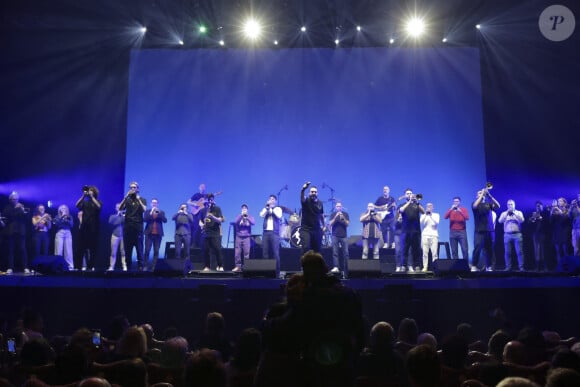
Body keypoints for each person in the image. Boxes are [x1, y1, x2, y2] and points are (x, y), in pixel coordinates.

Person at [119, 181, 147, 271]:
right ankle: (128, 269)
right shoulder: (127, 199)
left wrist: (138, 200)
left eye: (134, 187)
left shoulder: (142, 199)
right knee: (128, 250)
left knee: (139, 249)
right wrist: (126, 196)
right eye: (131, 187)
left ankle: (140, 268)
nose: (132, 189)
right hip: (128, 227)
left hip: (138, 227)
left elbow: (144, 210)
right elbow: (120, 208)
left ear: (137, 189)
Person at [471, 187, 500, 272]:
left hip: (489, 230)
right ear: (477, 196)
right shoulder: (474, 203)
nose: (482, 194)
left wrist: (489, 195)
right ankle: (474, 265)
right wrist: (482, 194)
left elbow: (498, 206)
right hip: (479, 231)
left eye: (482, 193)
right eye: (479, 193)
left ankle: (489, 266)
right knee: (477, 248)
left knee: (489, 249)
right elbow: (475, 206)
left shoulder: (488, 204)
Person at [2, 191, 30, 274]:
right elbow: (7, 218)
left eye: (16, 199)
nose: (15, 200)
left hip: (21, 231)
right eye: (13, 199)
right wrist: (15, 209)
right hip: (10, 231)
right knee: (10, 250)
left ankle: (25, 267)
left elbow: (27, 219)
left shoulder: (22, 207)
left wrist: (21, 209)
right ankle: (10, 267)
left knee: (22, 249)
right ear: (10, 200)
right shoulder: (7, 208)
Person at [75, 185, 102, 271]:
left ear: (94, 192)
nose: (89, 192)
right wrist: (83, 196)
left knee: (93, 249)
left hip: (93, 228)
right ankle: (78, 267)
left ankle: (90, 267)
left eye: (91, 191)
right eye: (88, 190)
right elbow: (77, 205)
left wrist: (92, 197)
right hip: (84, 228)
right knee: (80, 248)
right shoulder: (85, 202)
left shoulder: (98, 201)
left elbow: (99, 207)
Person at [398, 189, 425, 272]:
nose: (409, 195)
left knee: (416, 250)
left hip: (416, 231)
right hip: (405, 231)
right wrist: (409, 202)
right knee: (404, 250)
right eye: (407, 193)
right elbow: (401, 210)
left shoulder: (416, 204)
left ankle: (417, 265)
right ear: (405, 195)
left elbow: (423, 212)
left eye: (410, 193)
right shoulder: (402, 204)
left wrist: (417, 202)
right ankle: (403, 266)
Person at [498, 199, 525, 271]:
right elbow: (500, 221)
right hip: (507, 235)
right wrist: (507, 214)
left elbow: (522, 220)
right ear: (507, 205)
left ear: (514, 205)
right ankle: (508, 267)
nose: (510, 206)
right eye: (509, 204)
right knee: (507, 252)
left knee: (519, 252)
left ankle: (521, 267)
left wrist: (514, 214)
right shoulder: (504, 213)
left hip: (517, 234)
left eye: (511, 204)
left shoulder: (519, 212)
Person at [259, 195, 283, 276]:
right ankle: (266, 272)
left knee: (275, 253)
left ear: (275, 201)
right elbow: (261, 215)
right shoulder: (266, 208)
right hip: (265, 233)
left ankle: (277, 273)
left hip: (274, 233)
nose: (271, 201)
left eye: (273, 199)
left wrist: (271, 209)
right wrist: (266, 208)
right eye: (270, 199)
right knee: (265, 253)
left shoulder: (278, 209)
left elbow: (279, 216)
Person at [299, 182, 325, 253]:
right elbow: (302, 197)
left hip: (317, 230)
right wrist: (303, 189)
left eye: (315, 192)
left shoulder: (320, 203)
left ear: (317, 193)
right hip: (306, 230)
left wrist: (324, 225)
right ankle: (305, 263)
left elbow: (321, 215)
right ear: (309, 193)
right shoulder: (306, 201)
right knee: (306, 248)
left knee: (317, 251)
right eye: (312, 192)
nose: (313, 193)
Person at [200, 193, 224, 272]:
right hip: (206, 233)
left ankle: (220, 266)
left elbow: (220, 220)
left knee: (217, 250)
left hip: (215, 233)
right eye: (209, 199)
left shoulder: (217, 209)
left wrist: (213, 217)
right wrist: (201, 225)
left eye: (212, 199)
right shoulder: (203, 210)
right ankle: (207, 266)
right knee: (206, 250)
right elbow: (200, 221)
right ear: (206, 200)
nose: (210, 201)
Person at [143, 198, 167, 271]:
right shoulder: (147, 211)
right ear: (151, 204)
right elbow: (145, 219)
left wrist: (158, 213)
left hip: (158, 235)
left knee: (156, 251)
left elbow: (165, 220)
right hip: (149, 234)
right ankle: (145, 266)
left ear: (157, 204)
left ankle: (154, 266)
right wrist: (151, 213)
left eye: (155, 203)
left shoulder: (161, 212)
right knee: (147, 250)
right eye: (153, 203)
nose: (154, 204)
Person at [329, 201, 350, 275]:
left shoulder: (345, 214)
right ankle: (336, 267)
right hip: (335, 235)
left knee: (346, 253)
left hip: (344, 236)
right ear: (335, 207)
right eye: (337, 206)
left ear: (342, 207)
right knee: (335, 252)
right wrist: (335, 217)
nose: (339, 207)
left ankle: (346, 268)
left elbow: (347, 224)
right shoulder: (333, 214)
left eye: (340, 206)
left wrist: (342, 217)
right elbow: (330, 224)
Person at [233, 204, 255, 272]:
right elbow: (236, 222)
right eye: (243, 208)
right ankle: (238, 267)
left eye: (245, 208)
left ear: (247, 210)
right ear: (241, 210)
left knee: (246, 253)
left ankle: (246, 267)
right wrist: (241, 216)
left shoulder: (250, 217)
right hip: (238, 237)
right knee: (237, 253)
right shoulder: (238, 216)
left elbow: (253, 223)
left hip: (247, 237)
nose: (244, 209)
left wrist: (247, 217)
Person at [550, 197, 571, 267]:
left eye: (560, 201)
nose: (559, 203)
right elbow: (551, 221)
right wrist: (552, 211)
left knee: (565, 250)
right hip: (556, 232)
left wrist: (559, 211)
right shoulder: (555, 211)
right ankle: (560, 266)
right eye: (558, 201)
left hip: (564, 232)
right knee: (558, 251)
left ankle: (567, 266)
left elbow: (565, 218)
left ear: (564, 203)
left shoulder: (567, 210)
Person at [173, 203, 194, 272]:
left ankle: (188, 268)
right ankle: (177, 268)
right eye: (182, 207)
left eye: (184, 207)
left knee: (187, 252)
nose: (183, 208)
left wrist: (186, 213)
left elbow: (192, 220)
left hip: (187, 234)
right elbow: (173, 218)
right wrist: (178, 213)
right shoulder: (178, 214)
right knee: (177, 252)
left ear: (186, 208)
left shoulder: (189, 214)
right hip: (178, 235)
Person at [529, 201, 549, 271]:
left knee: (544, 250)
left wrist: (541, 218)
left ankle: (545, 267)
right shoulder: (533, 214)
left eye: (539, 206)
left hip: (543, 234)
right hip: (535, 234)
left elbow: (548, 223)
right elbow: (529, 224)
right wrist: (533, 219)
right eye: (537, 206)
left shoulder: (546, 213)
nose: (538, 207)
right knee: (536, 250)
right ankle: (537, 267)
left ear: (542, 206)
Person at [53, 204, 74, 270]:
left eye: (65, 208)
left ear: (67, 210)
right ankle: (58, 266)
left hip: (68, 232)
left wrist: (66, 219)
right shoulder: (57, 217)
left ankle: (70, 267)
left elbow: (71, 225)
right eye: (62, 208)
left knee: (68, 251)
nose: (63, 209)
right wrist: (62, 217)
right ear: (59, 210)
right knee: (58, 250)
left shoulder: (69, 216)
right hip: (60, 232)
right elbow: (57, 224)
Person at [187, 183, 208, 249]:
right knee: (196, 227)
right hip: (196, 213)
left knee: (202, 228)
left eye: (204, 187)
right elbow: (188, 202)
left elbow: (207, 204)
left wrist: (207, 202)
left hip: (203, 214)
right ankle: (194, 244)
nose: (202, 188)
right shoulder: (196, 195)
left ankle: (201, 244)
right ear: (199, 188)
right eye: (201, 187)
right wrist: (195, 204)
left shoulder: (206, 196)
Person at [420, 202, 440, 272]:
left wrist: (431, 215)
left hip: (434, 235)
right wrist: (426, 214)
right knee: (425, 253)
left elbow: (436, 222)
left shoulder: (436, 215)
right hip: (425, 235)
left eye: (430, 206)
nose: (429, 207)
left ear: (433, 207)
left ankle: (435, 267)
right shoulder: (423, 215)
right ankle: (425, 267)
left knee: (434, 253)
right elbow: (421, 222)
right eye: (428, 206)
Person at [107, 203, 126, 271]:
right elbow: (111, 223)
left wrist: (123, 216)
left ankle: (124, 266)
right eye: (118, 207)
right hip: (115, 236)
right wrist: (118, 215)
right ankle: (111, 266)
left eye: (120, 207)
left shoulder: (124, 216)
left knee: (123, 252)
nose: (119, 208)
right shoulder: (113, 216)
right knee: (113, 252)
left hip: (123, 236)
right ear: (116, 208)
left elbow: (126, 223)